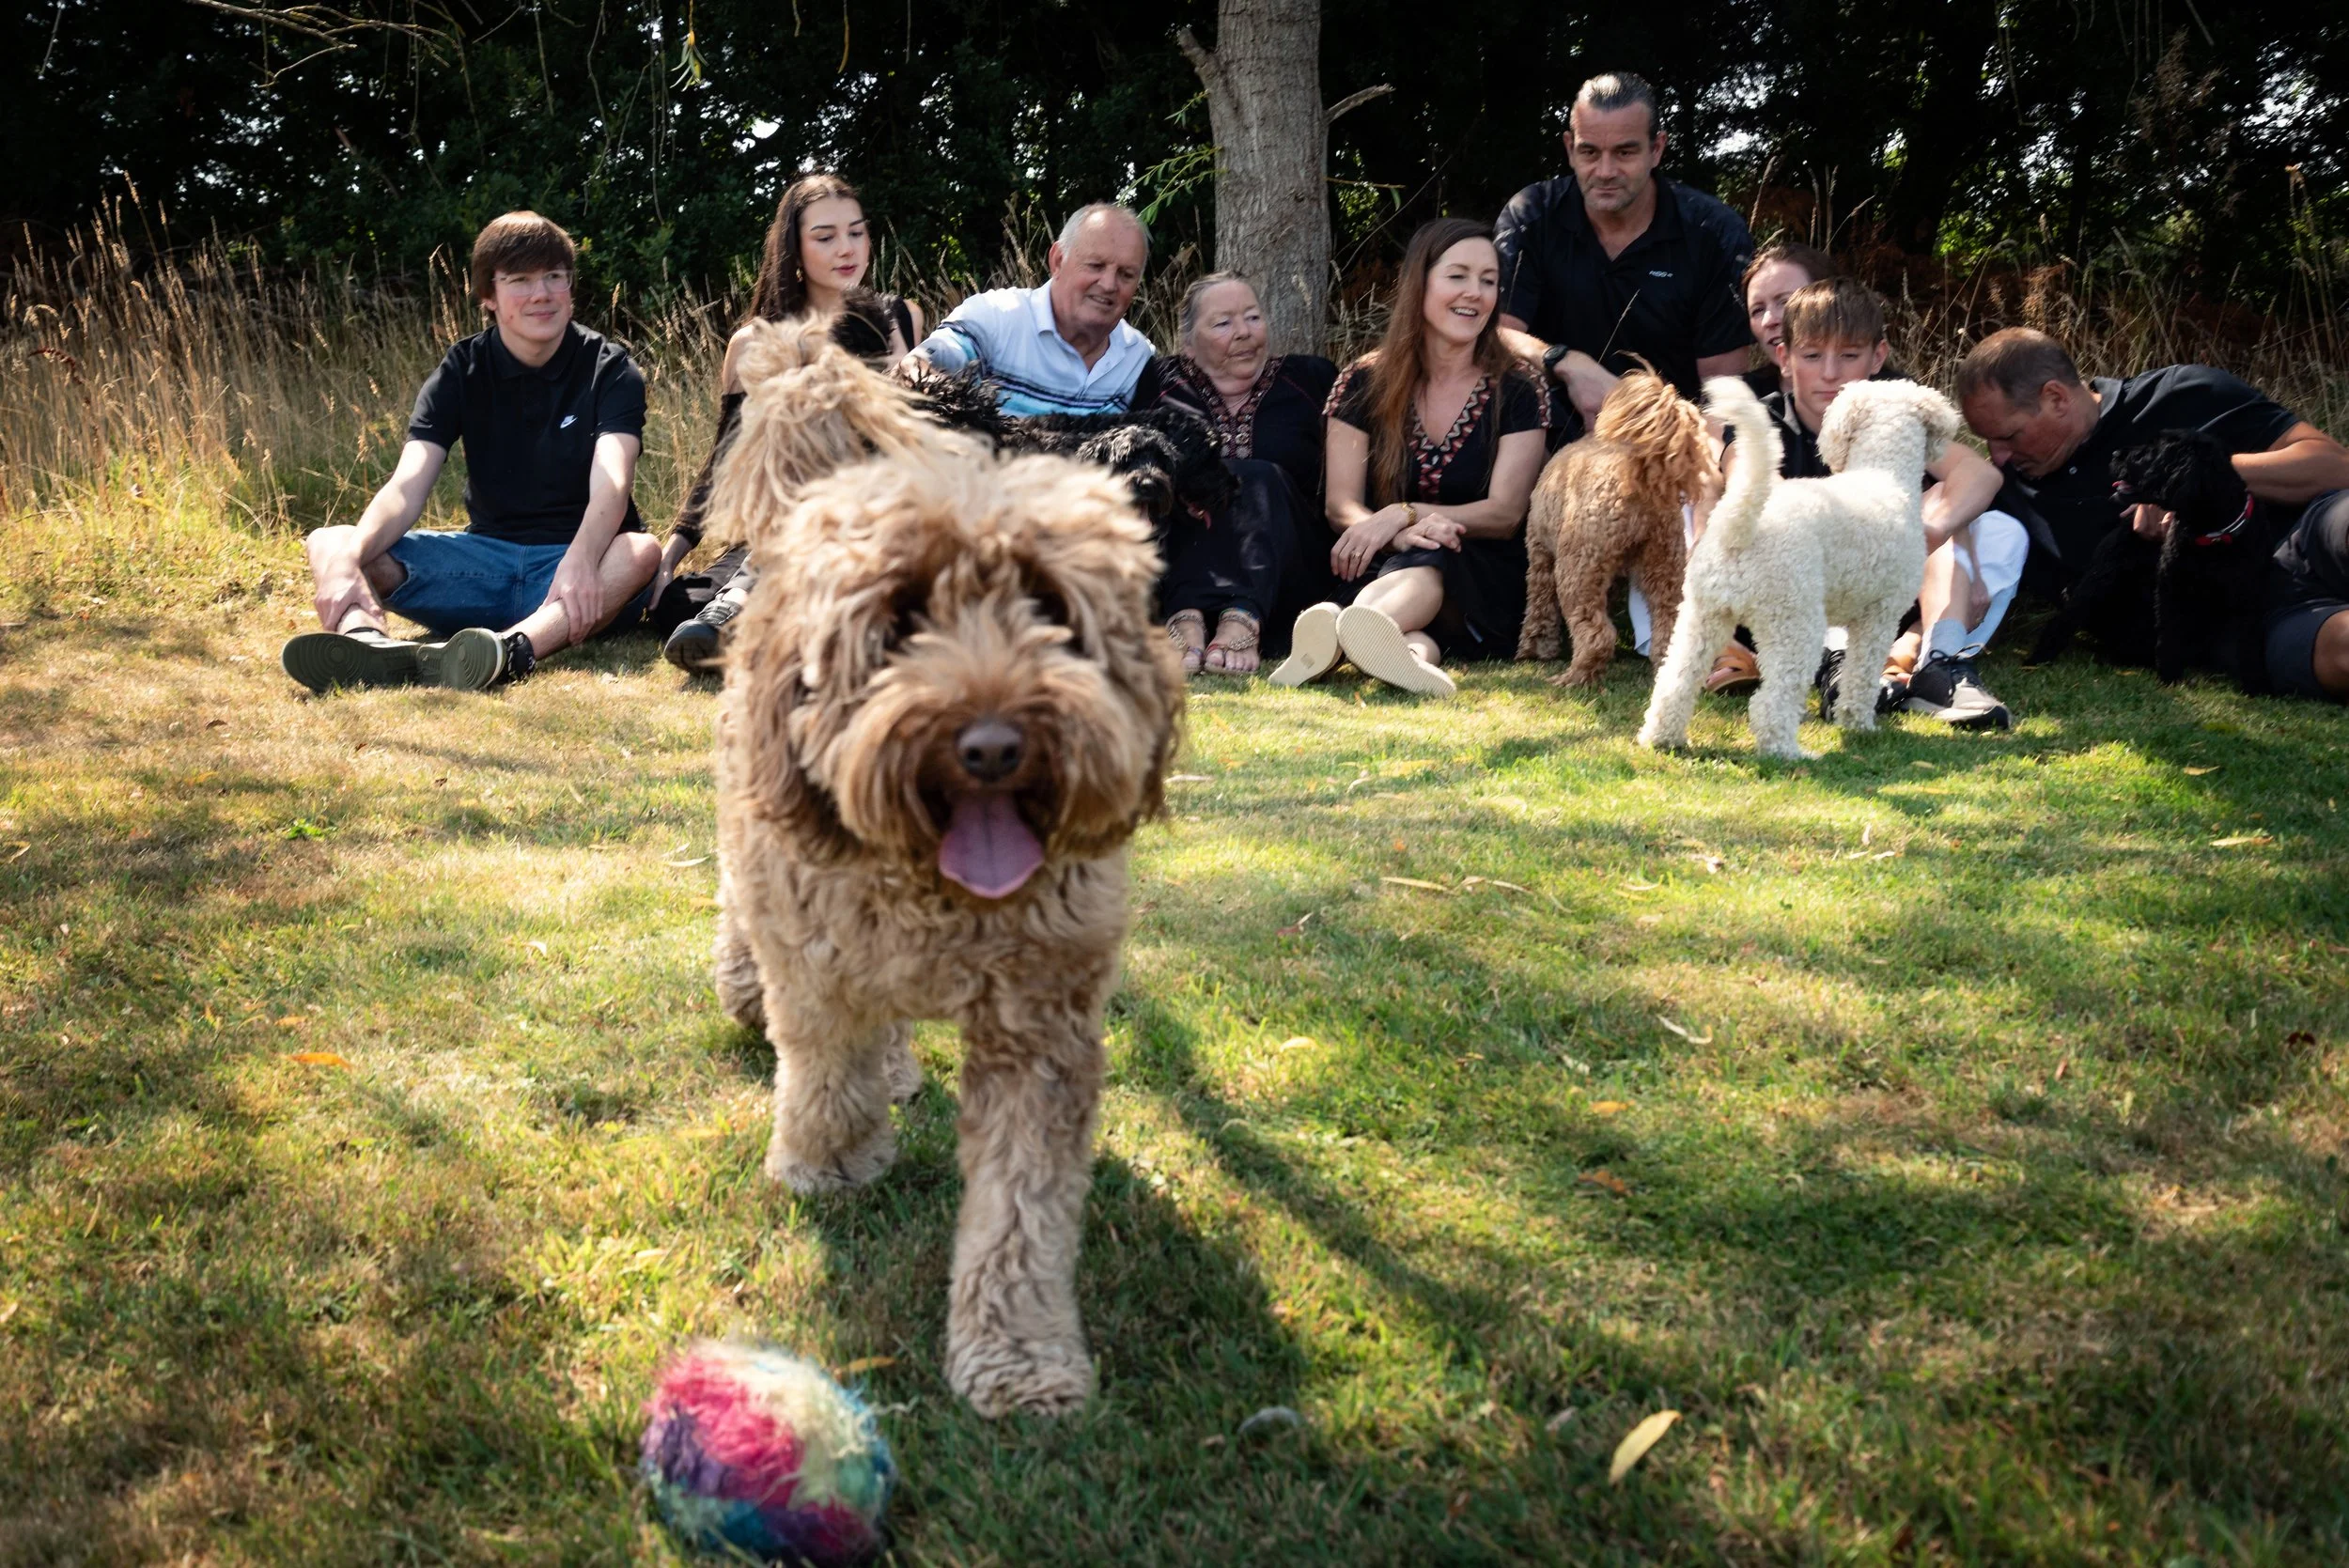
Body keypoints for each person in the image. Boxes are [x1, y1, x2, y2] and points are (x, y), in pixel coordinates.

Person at [281, 211, 657, 693]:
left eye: (554, 277)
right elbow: (407, 485)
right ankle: (366, 644)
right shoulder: (462, 369)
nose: (541, 293)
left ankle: (506, 652)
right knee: (331, 541)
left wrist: (581, 559)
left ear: (570, 287)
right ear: (488, 297)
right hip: (482, 566)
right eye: (519, 281)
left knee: (640, 550)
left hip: (578, 570)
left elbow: (614, 479)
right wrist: (346, 565)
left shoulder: (611, 368)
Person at [1956, 328, 2349, 700]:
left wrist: (2193, 479)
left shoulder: (2185, 392)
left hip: (2309, 534)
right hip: (2249, 621)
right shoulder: (2002, 498)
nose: (1998, 456)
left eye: (2008, 436)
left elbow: (2336, 466)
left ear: (2057, 398)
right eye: (1987, 441)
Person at [1272, 217, 1548, 697]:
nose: (1475, 293)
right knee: (1417, 619)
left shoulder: (1519, 386)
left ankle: (1340, 634)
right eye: (1458, 276)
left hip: (1482, 576)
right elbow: (1341, 506)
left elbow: (1505, 514)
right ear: (1420, 281)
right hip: (1384, 565)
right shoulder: (1362, 382)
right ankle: (1406, 659)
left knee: (1436, 549)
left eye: (1488, 281)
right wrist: (1397, 533)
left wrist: (1407, 514)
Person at [661, 174, 926, 670]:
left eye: (856, 231)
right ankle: (771, 614)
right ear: (794, 250)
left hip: (879, 509)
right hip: (783, 521)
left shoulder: (901, 319)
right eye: (825, 237)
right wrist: (671, 551)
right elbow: (725, 457)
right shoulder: (753, 343)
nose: (846, 248)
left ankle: (752, 616)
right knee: (678, 602)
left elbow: (921, 426)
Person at [1765, 278, 2025, 727]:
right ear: (1786, 359)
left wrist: (1934, 529)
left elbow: (1980, 473)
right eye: (1812, 356)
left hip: (1900, 584)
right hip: (1808, 595)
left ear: (1877, 357)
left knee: (1998, 528)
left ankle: (1939, 660)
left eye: (1848, 356)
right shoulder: (1770, 418)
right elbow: (1754, 498)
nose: (1830, 373)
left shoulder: (1898, 409)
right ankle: (1843, 664)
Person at [1494, 71, 1755, 429]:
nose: (1605, 171)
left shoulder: (1714, 233)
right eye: (1589, 152)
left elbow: (1723, 393)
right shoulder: (1533, 216)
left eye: (1625, 152)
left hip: (1667, 438)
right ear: (1570, 149)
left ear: (1657, 149)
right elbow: (1495, 334)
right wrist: (1567, 362)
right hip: (1541, 437)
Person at [1128, 272, 1339, 676]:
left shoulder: (1311, 379)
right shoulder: (1159, 383)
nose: (1243, 332)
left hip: (1288, 573)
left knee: (1257, 478)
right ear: (1188, 344)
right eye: (1223, 323)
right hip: (1180, 566)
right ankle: (1186, 618)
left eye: (1253, 317)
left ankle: (1240, 617)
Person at [910, 203, 1154, 416]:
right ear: (1058, 261)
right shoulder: (997, 317)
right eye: (1095, 266)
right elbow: (913, 368)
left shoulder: (1137, 359)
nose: (1109, 284)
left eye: (1126, 275)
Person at [1739, 240, 1839, 397]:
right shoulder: (1737, 401)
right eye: (1758, 310)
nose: (1769, 320)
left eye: (1785, 302)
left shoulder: (1884, 399)